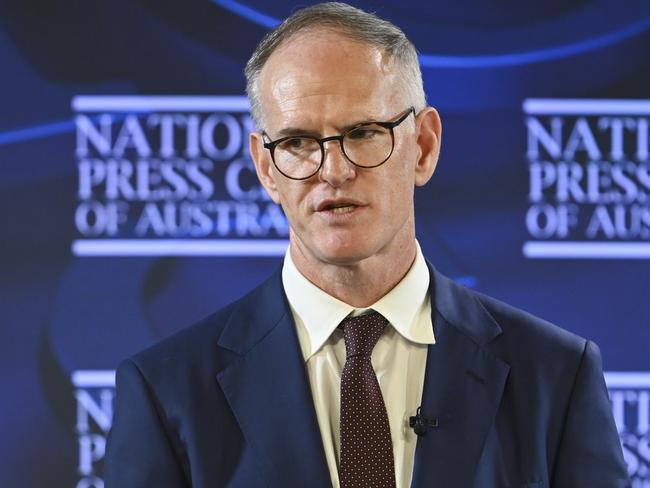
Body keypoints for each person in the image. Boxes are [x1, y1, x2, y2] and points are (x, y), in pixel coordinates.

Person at [105, 3, 629, 487]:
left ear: (423, 146)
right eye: (297, 143)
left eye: (362, 133)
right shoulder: (165, 392)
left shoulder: (556, 376)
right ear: (266, 168)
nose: (333, 171)